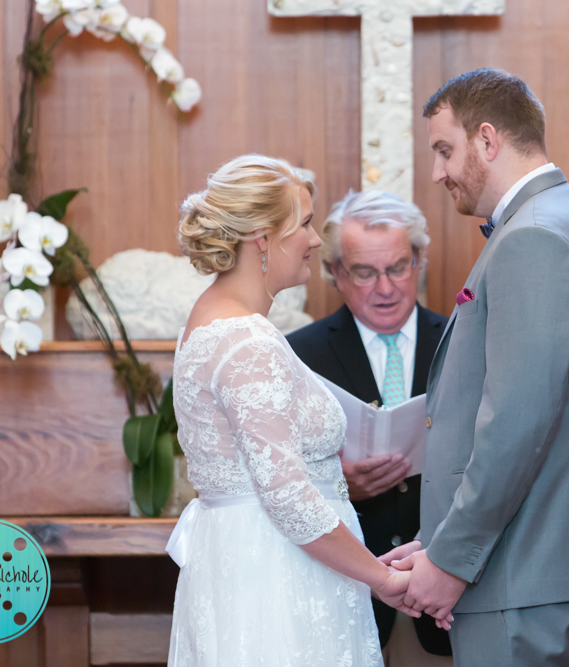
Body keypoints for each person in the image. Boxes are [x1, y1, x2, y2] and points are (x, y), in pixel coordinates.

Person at [381, 69, 569, 665]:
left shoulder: (534, 237)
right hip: (534, 566)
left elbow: (516, 427)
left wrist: (450, 560)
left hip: (524, 573)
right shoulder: (557, 216)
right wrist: (442, 539)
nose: (437, 172)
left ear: (488, 141)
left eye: (445, 150)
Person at [165, 154, 418, 666]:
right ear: (262, 237)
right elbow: (286, 496)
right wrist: (381, 577)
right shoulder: (246, 338)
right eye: (303, 224)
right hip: (278, 579)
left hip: (254, 561)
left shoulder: (213, 321)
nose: (315, 239)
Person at [286, 190, 452, 657]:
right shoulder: (299, 355)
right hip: (348, 597)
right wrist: (336, 483)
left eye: (398, 267)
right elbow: (277, 479)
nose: (385, 287)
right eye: (364, 272)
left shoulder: (461, 342)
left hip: (450, 602)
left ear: (418, 261)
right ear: (335, 272)